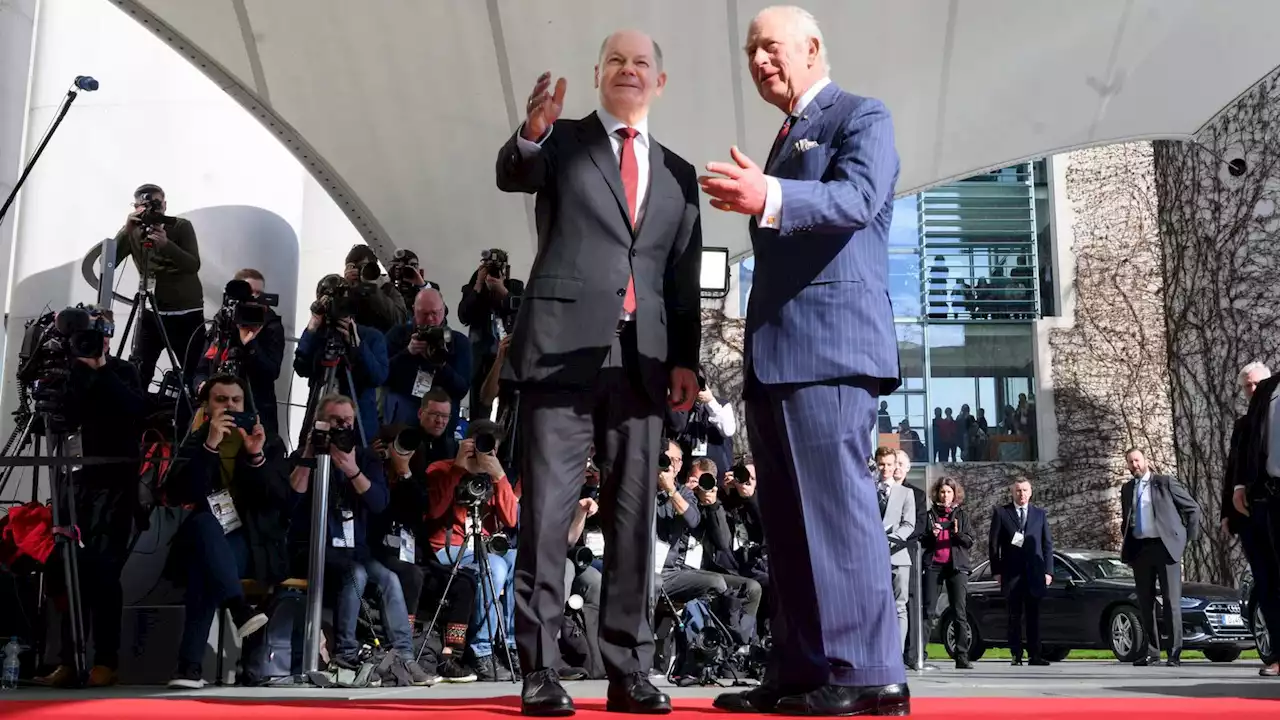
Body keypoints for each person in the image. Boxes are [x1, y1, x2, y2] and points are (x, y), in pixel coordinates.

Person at [701, 7, 907, 716]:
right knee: (786, 521)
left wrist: (771, 194)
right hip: (777, 357)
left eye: (771, 46)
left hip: (831, 349)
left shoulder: (862, 115)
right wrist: (771, 189)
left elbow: (857, 197)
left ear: (813, 48)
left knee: (837, 512)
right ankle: (800, 668)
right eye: (750, 50)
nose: (759, 60)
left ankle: (867, 674)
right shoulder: (787, 135)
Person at [495, 27, 702, 717]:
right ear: (597, 74)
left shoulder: (678, 173)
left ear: (660, 82)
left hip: (642, 364)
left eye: (642, 62)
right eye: (616, 60)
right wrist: (530, 131)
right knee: (548, 516)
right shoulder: (565, 140)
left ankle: (628, 669)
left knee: (633, 515)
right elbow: (514, 171)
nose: (629, 70)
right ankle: (540, 668)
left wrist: (686, 361)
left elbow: (682, 279)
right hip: (561, 352)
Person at [37, 309, 145, 688]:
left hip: (115, 485)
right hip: (73, 484)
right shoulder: (64, 371)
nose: (93, 342)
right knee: (68, 572)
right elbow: (51, 418)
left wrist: (99, 368)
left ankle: (105, 660)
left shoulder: (122, 371)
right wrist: (74, 373)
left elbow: (134, 411)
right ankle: (69, 659)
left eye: (100, 336)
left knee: (103, 572)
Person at [161, 375, 287, 689]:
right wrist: (209, 445)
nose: (229, 406)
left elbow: (277, 500)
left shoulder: (268, 442)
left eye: (235, 401)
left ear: (246, 406)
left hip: (250, 543)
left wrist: (256, 456)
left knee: (207, 568)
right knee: (205, 528)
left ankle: (189, 667)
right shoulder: (196, 439)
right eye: (221, 400)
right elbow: (179, 492)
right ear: (207, 407)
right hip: (208, 538)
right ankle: (239, 608)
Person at [111, 184, 205, 392]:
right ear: (136, 207)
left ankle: (188, 421)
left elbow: (193, 265)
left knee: (194, 374)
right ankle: (137, 420)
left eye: (157, 204)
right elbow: (107, 262)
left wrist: (166, 244)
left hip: (186, 314)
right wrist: (125, 232)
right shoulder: (133, 231)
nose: (154, 211)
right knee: (139, 373)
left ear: (165, 204)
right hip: (151, 313)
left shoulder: (180, 226)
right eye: (145, 206)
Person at [1223, 362, 1280, 676]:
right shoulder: (1243, 425)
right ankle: (1277, 655)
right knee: (1266, 584)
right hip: (1250, 516)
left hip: (1274, 506)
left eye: (1258, 384)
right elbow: (1233, 472)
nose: (1253, 390)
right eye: (1248, 386)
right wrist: (1226, 514)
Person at [1120, 448, 1200, 666]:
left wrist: (1186, 541)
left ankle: (1174, 653)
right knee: (1145, 603)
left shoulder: (1164, 482)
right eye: (1130, 462)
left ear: (1145, 460)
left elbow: (1192, 508)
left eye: (1137, 460)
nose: (1134, 465)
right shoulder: (1127, 489)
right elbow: (1126, 519)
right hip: (1141, 549)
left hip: (1166, 549)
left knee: (1171, 601)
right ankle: (1152, 652)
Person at [988, 478, 1053, 667]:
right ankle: (1016, 653)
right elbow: (994, 545)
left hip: (1034, 573)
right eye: (1018, 491)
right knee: (1014, 616)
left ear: (1031, 492)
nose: (1021, 494)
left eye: (1025, 490)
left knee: (1034, 616)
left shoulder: (1039, 514)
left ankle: (1035, 655)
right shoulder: (1002, 513)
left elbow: (1047, 544)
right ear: (1012, 493)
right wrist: (996, 571)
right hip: (1011, 573)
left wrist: (1048, 571)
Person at [920, 477, 974, 669]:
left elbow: (969, 542)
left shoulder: (962, 515)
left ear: (954, 494)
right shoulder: (929, 515)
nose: (945, 495)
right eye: (942, 492)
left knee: (959, 611)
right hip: (934, 566)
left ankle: (961, 655)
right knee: (928, 610)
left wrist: (957, 533)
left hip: (957, 567)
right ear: (937, 494)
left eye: (949, 492)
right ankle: (921, 655)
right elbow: (922, 541)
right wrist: (931, 535)